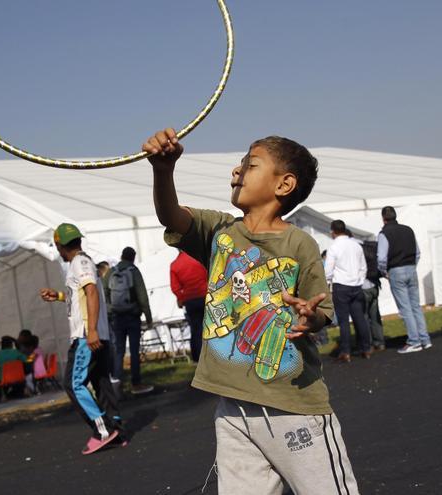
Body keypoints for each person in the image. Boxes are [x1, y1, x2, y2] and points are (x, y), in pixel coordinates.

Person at [144, 128, 359, 494]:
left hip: (293, 408)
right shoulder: (221, 231)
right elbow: (172, 217)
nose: (236, 172)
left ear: (284, 184)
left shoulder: (299, 243)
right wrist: (163, 171)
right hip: (232, 411)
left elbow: (320, 307)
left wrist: (311, 317)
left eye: (250, 164)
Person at [40, 223, 125, 455]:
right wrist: (58, 296)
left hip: (86, 336)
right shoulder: (83, 263)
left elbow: (91, 292)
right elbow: (79, 295)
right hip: (97, 334)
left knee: (74, 384)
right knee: (100, 382)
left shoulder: (80, 262)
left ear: (59, 245)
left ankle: (103, 430)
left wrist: (92, 331)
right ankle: (116, 429)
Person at [377, 206, 431, 354]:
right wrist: (412, 265)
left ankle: (414, 341)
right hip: (411, 267)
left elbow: (381, 258)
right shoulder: (408, 230)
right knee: (415, 306)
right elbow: (418, 252)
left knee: (405, 308)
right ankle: (424, 339)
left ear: (383, 218)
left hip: (396, 270)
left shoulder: (384, 234)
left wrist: (384, 272)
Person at [104, 246, 154, 394]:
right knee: (134, 350)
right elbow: (142, 296)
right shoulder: (134, 271)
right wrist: (148, 317)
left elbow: (104, 291)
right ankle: (136, 383)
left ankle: (117, 385)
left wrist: (110, 310)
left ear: (121, 256)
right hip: (132, 316)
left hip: (116, 318)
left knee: (119, 351)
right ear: (133, 257)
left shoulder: (111, 272)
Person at [325, 219, 371, 361]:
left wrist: (327, 283)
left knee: (344, 321)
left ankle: (346, 351)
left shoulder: (334, 247)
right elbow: (363, 266)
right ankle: (366, 348)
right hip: (356, 285)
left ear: (333, 231)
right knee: (359, 318)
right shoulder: (356, 245)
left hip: (341, 286)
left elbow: (328, 270)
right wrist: (360, 280)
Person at [169, 249, 208, 362]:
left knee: (195, 329)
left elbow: (175, 288)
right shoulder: (199, 259)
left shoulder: (175, 265)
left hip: (190, 300)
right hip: (205, 296)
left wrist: (181, 298)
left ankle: (197, 357)